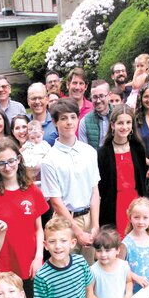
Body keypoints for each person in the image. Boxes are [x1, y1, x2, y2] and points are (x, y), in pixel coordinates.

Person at [0, 137, 49, 298]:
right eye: (1, 163)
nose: (7, 167)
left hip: (29, 261)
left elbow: (39, 229)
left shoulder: (32, 190)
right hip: (3, 263)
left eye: (11, 161)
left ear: (19, 159)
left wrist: (38, 257)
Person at [40, 98, 101, 264]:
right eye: (64, 118)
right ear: (54, 122)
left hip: (90, 216)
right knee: (65, 268)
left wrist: (95, 225)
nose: (69, 122)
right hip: (65, 221)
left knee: (88, 269)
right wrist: (78, 232)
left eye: (73, 117)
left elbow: (94, 190)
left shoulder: (89, 152)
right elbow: (56, 202)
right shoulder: (49, 160)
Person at [98, 104, 145, 234]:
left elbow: (142, 179)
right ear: (113, 125)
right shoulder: (103, 152)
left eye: (128, 122)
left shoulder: (138, 148)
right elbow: (101, 186)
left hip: (135, 202)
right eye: (120, 123)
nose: (125, 127)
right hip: (112, 205)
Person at [78, 79, 113, 150]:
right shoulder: (84, 122)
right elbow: (84, 151)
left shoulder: (119, 116)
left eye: (101, 96)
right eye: (95, 97)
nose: (98, 100)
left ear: (109, 95)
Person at [20, 119, 52, 187]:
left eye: (38, 137)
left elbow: (50, 154)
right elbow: (21, 150)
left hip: (39, 164)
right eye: (32, 138)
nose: (36, 140)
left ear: (42, 133)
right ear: (28, 136)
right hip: (28, 164)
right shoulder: (28, 143)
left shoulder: (44, 144)